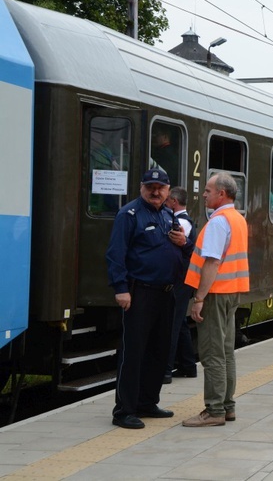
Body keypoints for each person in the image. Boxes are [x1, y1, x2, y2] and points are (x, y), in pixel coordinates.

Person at [106, 169, 193, 429]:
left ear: (168, 191)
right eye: (150, 187)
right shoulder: (129, 215)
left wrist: (185, 244)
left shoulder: (168, 215)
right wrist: (121, 288)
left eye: (161, 187)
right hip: (139, 292)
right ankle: (124, 410)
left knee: (159, 350)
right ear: (142, 187)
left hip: (167, 293)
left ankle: (147, 402)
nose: (156, 192)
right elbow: (115, 254)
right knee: (133, 351)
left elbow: (183, 249)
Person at [182, 173, 250, 427]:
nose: (204, 194)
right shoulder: (237, 219)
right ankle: (227, 406)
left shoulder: (219, 222)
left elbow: (212, 262)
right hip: (233, 292)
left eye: (209, 190)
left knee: (212, 353)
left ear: (222, 194)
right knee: (226, 352)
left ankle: (214, 410)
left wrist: (199, 298)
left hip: (215, 293)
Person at [163, 186, 198, 384]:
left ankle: (165, 370)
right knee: (181, 323)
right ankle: (188, 365)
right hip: (183, 280)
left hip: (179, 280)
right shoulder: (184, 220)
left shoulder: (181, 223)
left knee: (172, 324)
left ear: (173, 202)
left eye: (167, 201)